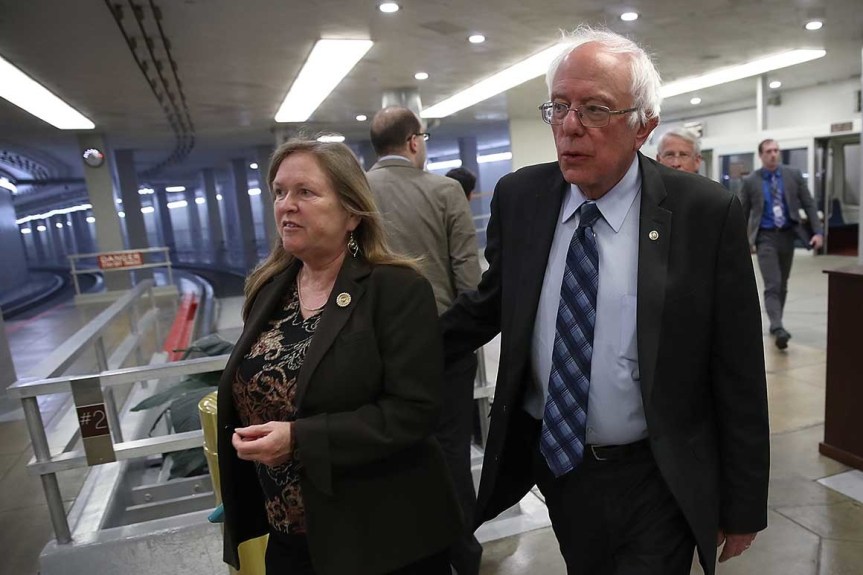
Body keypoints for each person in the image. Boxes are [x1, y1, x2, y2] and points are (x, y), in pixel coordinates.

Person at [441, 26, 769, 575]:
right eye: (560, 107)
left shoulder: (703, 213)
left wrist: (742, 505)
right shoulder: (522, 198)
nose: (570, 126)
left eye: (595, 109)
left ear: (644, 126)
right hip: (560, 470)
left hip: (656, 475)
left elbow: (737, 368)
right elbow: (490, 305)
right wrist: (378, 350)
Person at [217, 139, 462, 575]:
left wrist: (298, 438)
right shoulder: (268, 291)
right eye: (279, 192)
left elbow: (413, 412)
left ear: (351, 213)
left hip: (380, 538)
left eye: (305, 193)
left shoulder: (396, 290)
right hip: (291, 533)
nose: (286, 206)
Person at [367, 106, 483, 575]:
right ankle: (463, 556)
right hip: (442, 347)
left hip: (375, 350)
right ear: (415, 141)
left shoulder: (352, 192)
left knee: (392, 454)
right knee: (451, 453)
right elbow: (470, 282)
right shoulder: (444, 190)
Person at [739, 138, 824, 350]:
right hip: (765, 237)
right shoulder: (751, 181)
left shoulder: (792, 175)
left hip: (788, 235)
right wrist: (740, 241)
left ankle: (776, 322)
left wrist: (818, 232)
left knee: (783, 284)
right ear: (761, 155)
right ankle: (778, 327)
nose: (773, 154)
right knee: (773, 283)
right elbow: (742, 212)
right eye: (768, 151)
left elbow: (809, 204)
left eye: (776, 150)